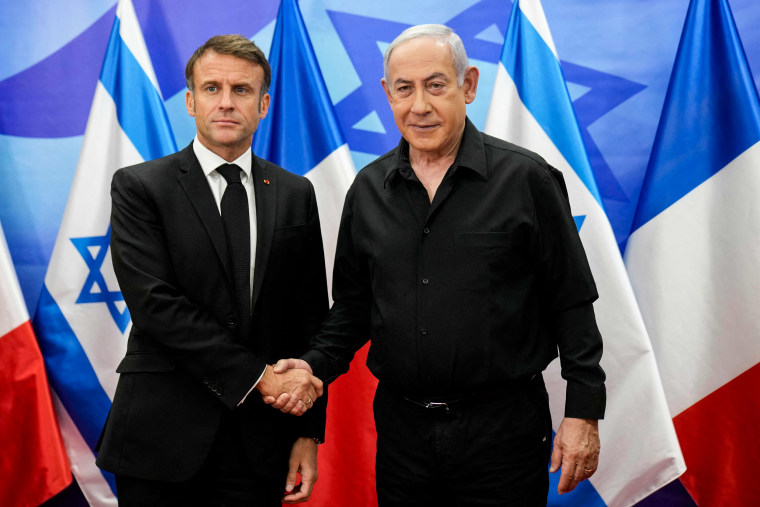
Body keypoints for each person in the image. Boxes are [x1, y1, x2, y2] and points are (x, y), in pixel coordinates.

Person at [269, 24, 605, 505]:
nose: (419, 105)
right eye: (404, 89)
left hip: (503, 433)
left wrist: (583, 413)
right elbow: (353, 308)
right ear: (388, 94)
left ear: (467, 86)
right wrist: (312, 367)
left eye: (436, 84)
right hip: (403, 434)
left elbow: (572, 303)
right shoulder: (367, 190)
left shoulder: (526, 179)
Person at [95, 34, 328, 506]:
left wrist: (307, 433)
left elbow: (308, 318)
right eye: (212, 88)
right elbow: (156, 307)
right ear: (189, 101)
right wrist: (262, 378)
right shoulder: (141, 187)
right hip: (160, 440)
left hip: (260, 446)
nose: (226, 102)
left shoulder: (295, 192)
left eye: (241, 90)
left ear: (263, 105)